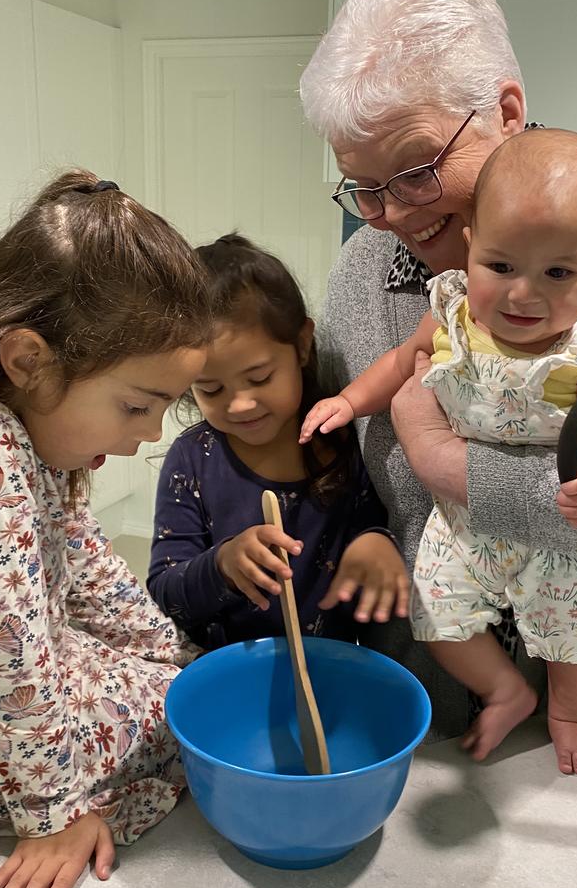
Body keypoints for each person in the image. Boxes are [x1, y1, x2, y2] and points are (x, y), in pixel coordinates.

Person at [299, 0, 577, 747]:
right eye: (362, 186)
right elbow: (339, 460)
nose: (386, 214)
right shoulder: (362, 271)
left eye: (416, 168)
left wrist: (453, 467)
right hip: (424, 702)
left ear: (506, 110)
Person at [0, 171, 211, 888]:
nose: (147, 435)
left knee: (178, 690)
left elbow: (88, 569)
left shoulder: (30, 431)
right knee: (177, 726)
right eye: (136, 406)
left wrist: (179, 656)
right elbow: (9, 665)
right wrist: (53, 813)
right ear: (28, 359)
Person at [301, 129, 577, 774]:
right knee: (435, 616)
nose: (523, 295)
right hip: (459, 526)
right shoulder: (453, 315)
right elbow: (401, 363)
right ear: (470, 248)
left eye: (559, 273)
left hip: (555, 538)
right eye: (501, 266)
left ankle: (566, 713)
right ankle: (504, 689)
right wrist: (350, 402)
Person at [147, 233, 409, 650]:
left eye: (259, 378)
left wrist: (375, 543)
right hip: (225, 672)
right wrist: (222, 565)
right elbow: (165, 590)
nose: (240, 404)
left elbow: (369, 522)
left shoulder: (337, 442)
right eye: (211, 389)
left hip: (329, 669)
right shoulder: (193, 459)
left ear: (302, 345)